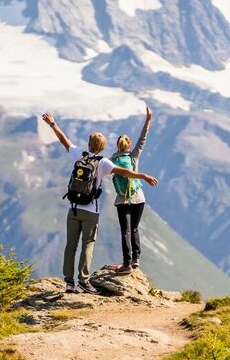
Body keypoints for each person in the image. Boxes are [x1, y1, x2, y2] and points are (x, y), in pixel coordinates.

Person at [41, 112, 158, 294]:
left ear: (89, 144)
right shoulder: (104, 162)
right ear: (103, 147)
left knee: (70, 246)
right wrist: (143, 175)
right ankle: (84, 281)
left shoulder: (79, 155)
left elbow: (64, 140)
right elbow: (124, 173)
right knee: (87, 245)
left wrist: (53, 124)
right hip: (91, 211)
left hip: (73, 209)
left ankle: (69, 283)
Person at [111, 106, 152, 274]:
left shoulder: (111, 161)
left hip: (123, 200)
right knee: (135, 228)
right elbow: (142, 139)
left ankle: (126, 264)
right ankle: (136, 260)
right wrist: (148, 119)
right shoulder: (133, 156)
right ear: (128, 145)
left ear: (117, 145)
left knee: (125, 230)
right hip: (138, 198)